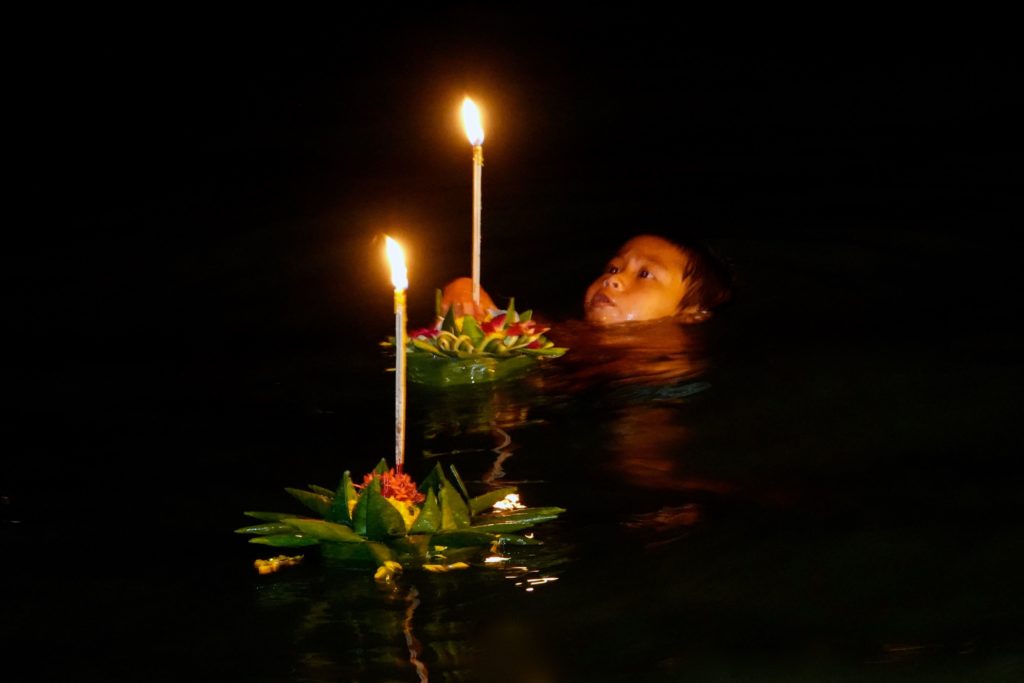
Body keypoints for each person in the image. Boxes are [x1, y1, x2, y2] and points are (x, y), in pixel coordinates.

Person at [583, 235, 731, 325]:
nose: (613, 278)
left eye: (645, 274)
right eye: (613, 269)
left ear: (690, 314)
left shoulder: (670, 370)